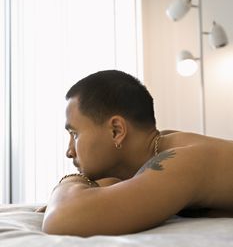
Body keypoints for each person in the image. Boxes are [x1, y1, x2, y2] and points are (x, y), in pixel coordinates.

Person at [39, 70, 233, 236]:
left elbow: (61, 219)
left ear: (116, 131)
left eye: (75, 134)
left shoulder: (181, 160)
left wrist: (69, 181)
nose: (69, 151)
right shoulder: (157, 152)